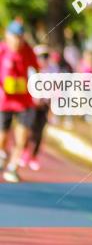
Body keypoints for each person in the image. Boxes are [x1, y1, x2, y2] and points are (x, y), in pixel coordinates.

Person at [0, 21, 39, 183]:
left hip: (24, 102)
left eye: (20, 37)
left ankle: (13, 167)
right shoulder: (2, 50)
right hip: (5, 101)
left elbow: (36, 70)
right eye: (14, 37)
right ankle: (2, 154)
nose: (17, 41)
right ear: (7, 36)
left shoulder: (28, 51)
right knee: (2, 137)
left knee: (22, 137)